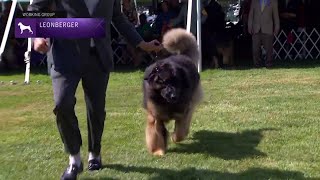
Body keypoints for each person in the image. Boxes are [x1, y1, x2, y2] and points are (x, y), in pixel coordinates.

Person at [29, 0, 162, 179]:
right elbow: (35, 8)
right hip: (64, 53)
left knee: (96, 109)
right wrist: (36, 36)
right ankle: (74, 159)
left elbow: (117, 17)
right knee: (62, 103)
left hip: (98, 55)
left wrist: (141, 44)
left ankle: (95, 154)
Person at [248, 0, 280, 68]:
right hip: (256, 28)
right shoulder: (254, 1)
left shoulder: (273, 2)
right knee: (255, 49)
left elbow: (276, 16)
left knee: (269, 49)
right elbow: (251, 15)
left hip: (268, 28)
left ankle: (269, 64)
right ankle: (257, 64)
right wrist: (249, 26)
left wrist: (277, 27)